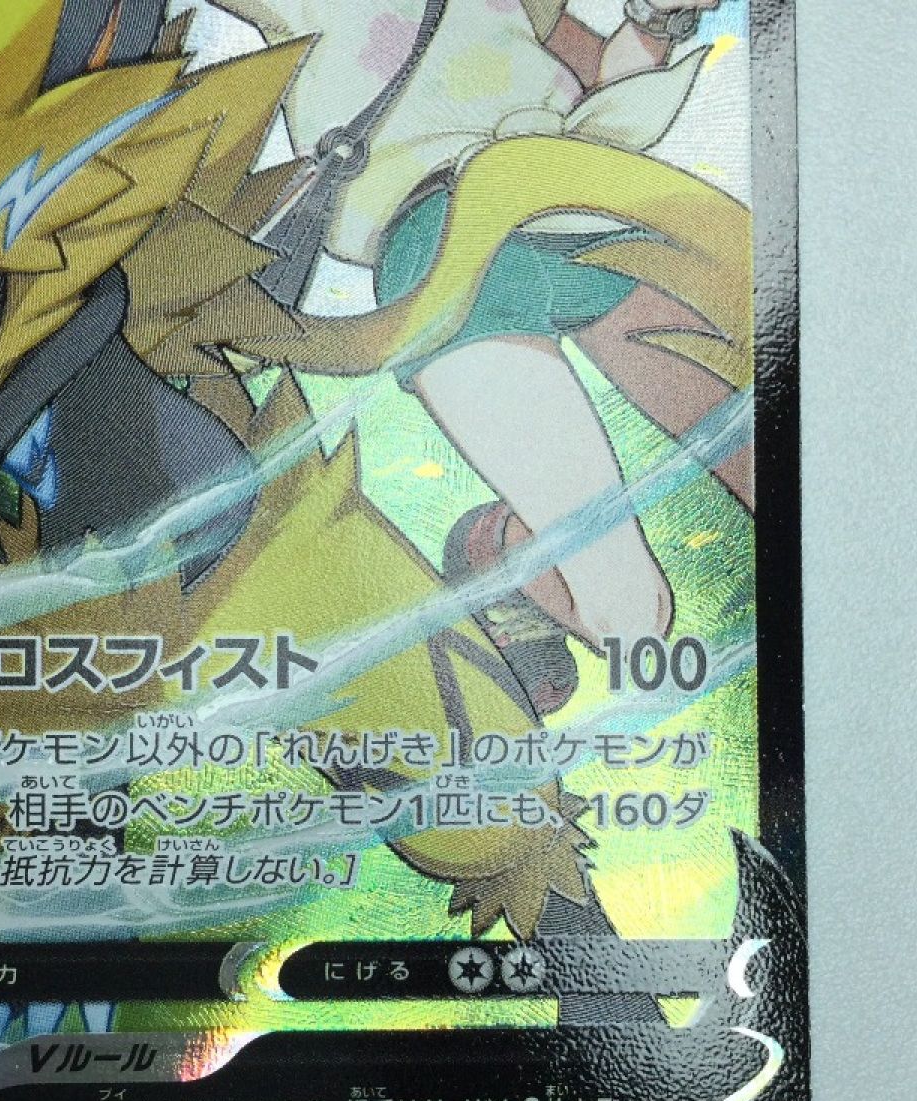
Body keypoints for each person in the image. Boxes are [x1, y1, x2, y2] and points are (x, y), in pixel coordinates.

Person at [211, 0, 751, 709]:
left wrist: (654, 23)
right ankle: (502, 558)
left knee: (770, 455)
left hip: (582, 210)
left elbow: (599, 77)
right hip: (446, 250)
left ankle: (509, 549)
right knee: (635, 618)